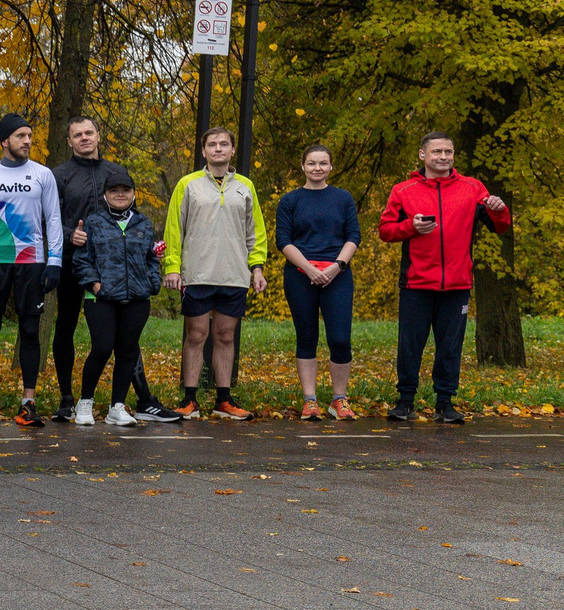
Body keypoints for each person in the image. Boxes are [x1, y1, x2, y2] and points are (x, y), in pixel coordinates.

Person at [378, 131, 512, 423]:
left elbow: (500, 227)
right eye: (437, 152)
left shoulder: (473, 188)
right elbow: (386, 230)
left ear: (453, 156)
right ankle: (405, 402)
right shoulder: (403, 190)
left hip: (457, 283)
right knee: (410, 343)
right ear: (423, 155)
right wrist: (411, 227)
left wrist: (500, 211)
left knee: (450, 345)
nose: (443, 157)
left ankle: (445, 403)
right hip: (416, 282)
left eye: (448, 152)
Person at [0, 112, 65, 427]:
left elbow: (54, 219)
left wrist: (55, 261)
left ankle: (28, 402)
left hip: (31, 261)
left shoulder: (43, 174)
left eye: (30, 136)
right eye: (21, 136)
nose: (28, 141)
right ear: (5, 141)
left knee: (30, 330)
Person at [162, 127, 266, 420]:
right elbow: (174, 228)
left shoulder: (245, 186)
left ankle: (223, 401)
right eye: (212, 145)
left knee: (225, 335)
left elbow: (255, 232)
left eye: (224, 144)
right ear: (204, 151)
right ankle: (189, 399)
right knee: (196, 334)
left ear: (233, 150)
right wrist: (172, 267)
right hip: (197, 273)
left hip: (234, 274)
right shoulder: (188, 184)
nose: (218, 148)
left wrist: (257, 267)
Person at [274, 144, 361, 421]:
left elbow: (353, 236)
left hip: (338, 275)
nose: (317, 168)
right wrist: (309, 269)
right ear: (303, 166)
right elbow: (283, 241)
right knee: (307, 337)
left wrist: (338, 266)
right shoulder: (290, 201)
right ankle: (310, 400)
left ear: (331, 166)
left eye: (323, 163)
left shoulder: (343, 198)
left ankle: (339, 399)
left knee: (340, 339)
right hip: (301, 276)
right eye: (312, 163)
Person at [74, 164, 162, 426]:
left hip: (136, 299)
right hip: (101, 299)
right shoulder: (93, 222)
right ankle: (85, 403)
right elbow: (81, 260)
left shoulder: (144, 223)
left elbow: (152, 259)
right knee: (101, 348)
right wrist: (95, 285)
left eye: (126, 190)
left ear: (134, 194)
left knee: (127, 351)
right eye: (115, 190)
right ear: (105, 195)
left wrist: (151, 284)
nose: (120, 194)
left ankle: (117, 407)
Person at [47, 116, 109, 419]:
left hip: (110, 266)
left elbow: (132, 215)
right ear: (69, 142)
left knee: (119, 330)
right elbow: (47, 219)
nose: (84, 138)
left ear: (98, 136)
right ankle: (66, 398)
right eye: (77, 135)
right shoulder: (58, 176)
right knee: (66, 326)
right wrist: (72, 234)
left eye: (89, 133)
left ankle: (132, 398)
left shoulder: (116, 172)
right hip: (72, 262)